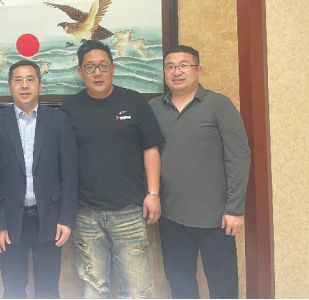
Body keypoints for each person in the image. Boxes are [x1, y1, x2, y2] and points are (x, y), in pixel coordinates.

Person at [60, 40, 164, 299]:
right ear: (80, 72)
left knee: (136, 290)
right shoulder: (69, 109)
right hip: (85, 214)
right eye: (90, 67)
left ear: (113, 69)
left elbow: (151, 149)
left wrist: (153, 193)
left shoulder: (134, 101)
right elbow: (62, 160)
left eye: (103, 66)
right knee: (95, 289)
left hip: (129, 211)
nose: (97, 73)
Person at [149, 45, 251, 299]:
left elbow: (239, 156)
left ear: (199, 69)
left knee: (223, 286)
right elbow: (146, 154)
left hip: (216, 217)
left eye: (184, 65)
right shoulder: (153, 108)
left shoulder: (219, 105)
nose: (177, 72)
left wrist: (235, 209)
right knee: (180, 285)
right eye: (170, 67)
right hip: (170, 215)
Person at [0, 60, 79, 299]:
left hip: (50, 219)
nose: (24, 85)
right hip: (10, 222)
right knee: (13, 289)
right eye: (18, 80)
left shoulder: (58, 121)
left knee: (48, 289)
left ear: (40, 85)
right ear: (10, 86)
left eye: (30, 79)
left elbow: (70, 174)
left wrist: (66, 219)